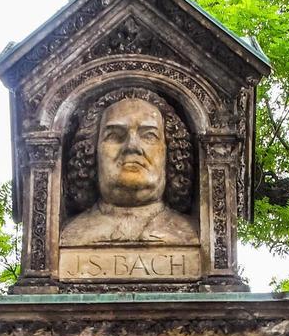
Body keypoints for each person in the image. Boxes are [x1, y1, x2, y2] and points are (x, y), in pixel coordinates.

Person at [60, 96, 198, 245]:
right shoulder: (69, 235)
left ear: (170, 151)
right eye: (115, 136)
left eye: (149, 135)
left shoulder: (191, 234)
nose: (132, 146)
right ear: (92, 151)